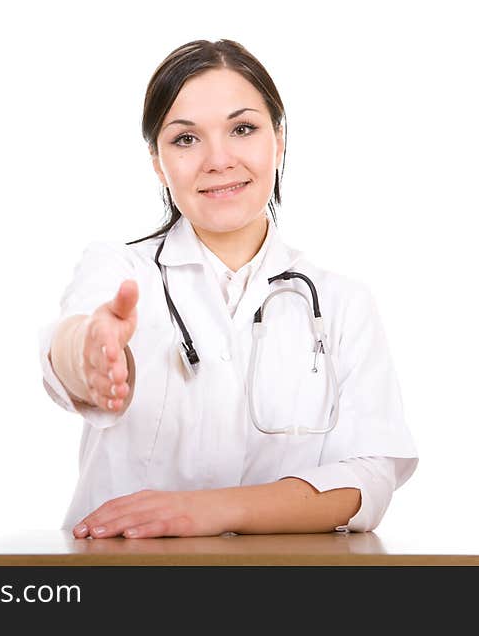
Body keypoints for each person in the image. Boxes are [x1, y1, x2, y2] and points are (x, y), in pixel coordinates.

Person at [39, 39, 417, 539]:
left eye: (243, 129)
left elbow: (368, 479)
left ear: (278, 139)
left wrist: (214, 510)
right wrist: (88, 353)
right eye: (185, 139)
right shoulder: (120, 269)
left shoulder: (343, 303)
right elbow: (72, 346)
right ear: (156, 159)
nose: (218, 160)